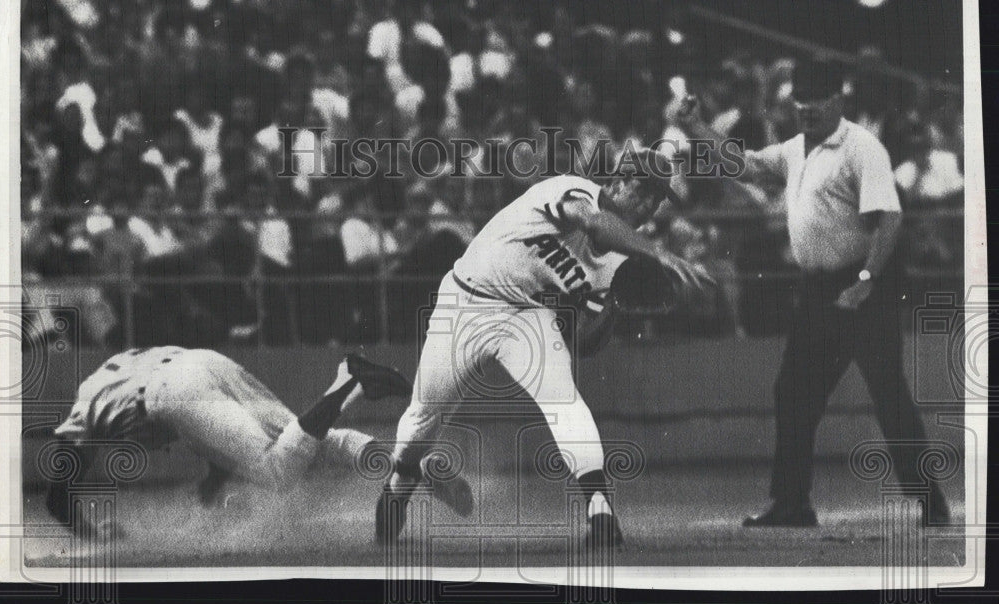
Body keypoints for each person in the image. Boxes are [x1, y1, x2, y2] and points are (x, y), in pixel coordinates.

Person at [375, 151, 714, 550]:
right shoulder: (574, 190)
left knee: (563, 398)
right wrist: (657, 252)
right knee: (424, 415)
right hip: (466, 302)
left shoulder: (619, 262)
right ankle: (399, 483)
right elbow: (596, 224)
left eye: (656, 199)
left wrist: (615, 309)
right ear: (617, 182)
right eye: (642, 190)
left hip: (526, 316)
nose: (647, 205)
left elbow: (585, 346)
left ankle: (600, 509)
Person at [678, 59, 950, 527]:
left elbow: (889, 219)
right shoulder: (796, 149)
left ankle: (931, 502)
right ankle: (792, 503)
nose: (805, 106)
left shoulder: (862, 148)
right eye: (800, 97)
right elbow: (745, 165)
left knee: (888, 395)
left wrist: (864, 282)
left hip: (866, 285)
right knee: (794, 392)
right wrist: (697, 127)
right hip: (819, 290)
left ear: (837, 101)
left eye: (816, 97)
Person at [45, 348, 473, 537]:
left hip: (168, 393)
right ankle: (412, 465)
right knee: (309, 443)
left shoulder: (86, 402)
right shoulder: (116, 371)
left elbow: (57, 497)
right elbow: (208, 428)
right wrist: (218, 475)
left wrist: (90, 535)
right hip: (202, 361)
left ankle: (349, 382)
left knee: (278, 473)